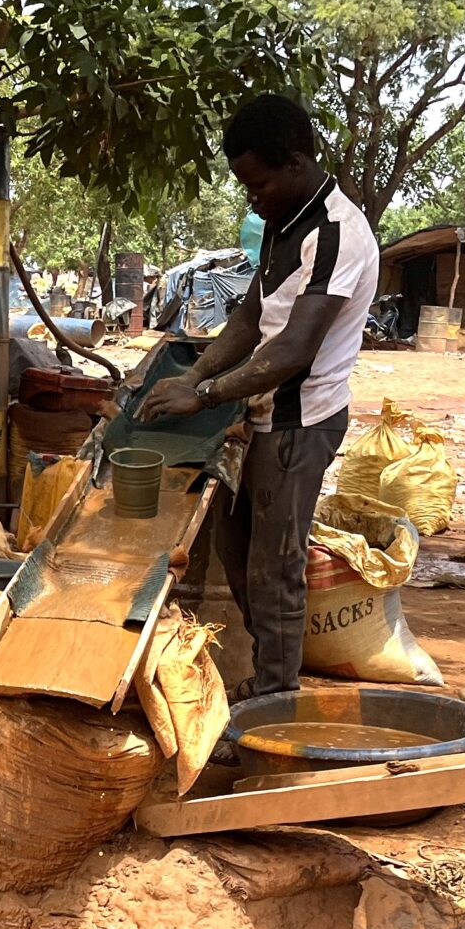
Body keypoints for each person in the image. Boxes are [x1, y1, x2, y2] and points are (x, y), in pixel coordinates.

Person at [137, 92, 378, 699]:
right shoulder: (282, 225)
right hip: (266, 413)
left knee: (275, 569)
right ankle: (268, 680)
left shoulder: (337, 235)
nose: (252, 196)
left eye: (259, 181)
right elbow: (251, 319)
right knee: (241, 557)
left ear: (297, 161)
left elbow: (295, 348)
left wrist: (208, 393)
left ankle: (276, 697)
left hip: (302, 423)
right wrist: (193, 376)